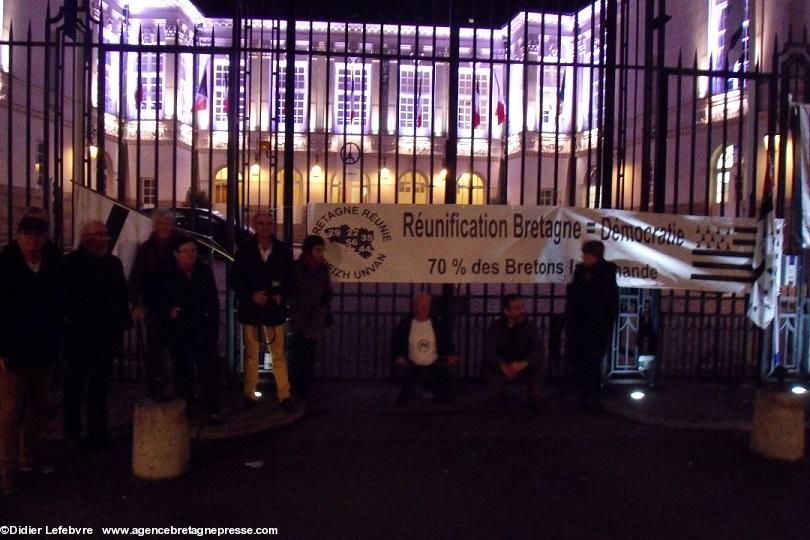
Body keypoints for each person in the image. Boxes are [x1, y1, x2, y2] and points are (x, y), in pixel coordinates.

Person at [0, 212, 62, 495]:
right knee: (10, 413)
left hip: (44, 347)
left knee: (38, 409)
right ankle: (6, 469)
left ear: (44, 237)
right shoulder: (5, 264)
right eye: (26, 234)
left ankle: (31, 458)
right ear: (17, 236)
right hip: (14, 350)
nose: (31, 239)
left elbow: (60, 301)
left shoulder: (53, 262)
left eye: (37, 235)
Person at [61, 220, 133, 449]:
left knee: (99, 386)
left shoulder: (113, 263)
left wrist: (121, 325)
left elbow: (121, 295)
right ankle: (71, 433)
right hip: (79, 335)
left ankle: (98, 431)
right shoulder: (71, 263)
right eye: (94, 234)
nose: (99, 238)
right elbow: (64, 299)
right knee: (75, 386)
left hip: (105, 335)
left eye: (103, 234)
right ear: (84, 237)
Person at [229, 212, 295, 411]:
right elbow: (235, 279)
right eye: (261, 223)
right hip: (252, 308)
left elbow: (291, 278)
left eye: (268, 223)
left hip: (274, 309)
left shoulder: (283, 250)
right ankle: (249, 393)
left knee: (278, 354)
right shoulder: (244, 250)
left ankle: (284, 395)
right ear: (254, 225)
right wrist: (251, 295)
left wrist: (281, 294)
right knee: (251, 353)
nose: (265, 227)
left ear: (273, 226)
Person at [160, 235, 221, 424]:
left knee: (207, 369)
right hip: (179, 328)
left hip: (201, 327)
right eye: (185, 251)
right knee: (181, 370)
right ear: (175, 254)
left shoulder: (203, 271)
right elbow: (158, 296)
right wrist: (168, 310)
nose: (190, 255)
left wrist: (213, 325)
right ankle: (184, 407)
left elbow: (212, 300)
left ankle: (212, 409)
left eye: (193, 251)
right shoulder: (167, 272)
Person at [129, 208, 184, 399]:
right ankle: (156, 389)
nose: (163, 226)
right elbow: (136, 276)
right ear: (154, 225)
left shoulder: (180, 244)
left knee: (179, 351)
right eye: (160, 223)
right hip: (154, 306)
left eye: (167, 223)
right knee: (155, 352)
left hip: (178, 305)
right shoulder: (146, 248)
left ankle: (181, 391)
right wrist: (136, 303)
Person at [565, 240, 619, 411]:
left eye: (588, 256)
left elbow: (609, 299)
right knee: (580, 359)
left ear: (596, 256)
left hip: (597, 324)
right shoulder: (581, 271)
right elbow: (573, 293)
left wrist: (606, 320)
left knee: (593, 359)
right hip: (580, 323)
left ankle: (592, 394)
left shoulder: (606, 272)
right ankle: (583, 392)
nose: (584, 258)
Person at [286, 235, 333, 403]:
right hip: (300, 317)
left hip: (314, 319)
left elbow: (327, 290)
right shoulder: (298, 268)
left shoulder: (322, 269)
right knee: (298, 354)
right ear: (308, 251)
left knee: (309, 355)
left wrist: (323, 307)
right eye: (317, 250)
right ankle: (295, 388)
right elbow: (292, 292)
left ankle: (305, 391)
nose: (320, 253)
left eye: (322, 250)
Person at [391, 292, 458, 403]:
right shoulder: (406, 325)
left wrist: (449, 356)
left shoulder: (437, 325)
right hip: (411, 363)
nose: (426, 309)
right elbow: (396, 344)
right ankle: (413, 392)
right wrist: (399, 357)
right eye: (422, 306)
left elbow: (447, 344)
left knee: (449, 369)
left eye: (428, 305)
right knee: (402, 369)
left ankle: (442, 394)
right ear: (415, 307)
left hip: (435, 363)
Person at [483, 294, 543, 409]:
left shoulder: (529, 327)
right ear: (506, 311)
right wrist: (503, 366)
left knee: (537, 363)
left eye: (522, 307)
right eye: (517, 308)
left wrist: (523, 364)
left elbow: (538, 349)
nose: (521, 311)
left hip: (523, 365)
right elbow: (489, 351)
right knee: (490, 369)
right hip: (502, 365)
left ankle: (533, 398)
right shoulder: (496, 327)